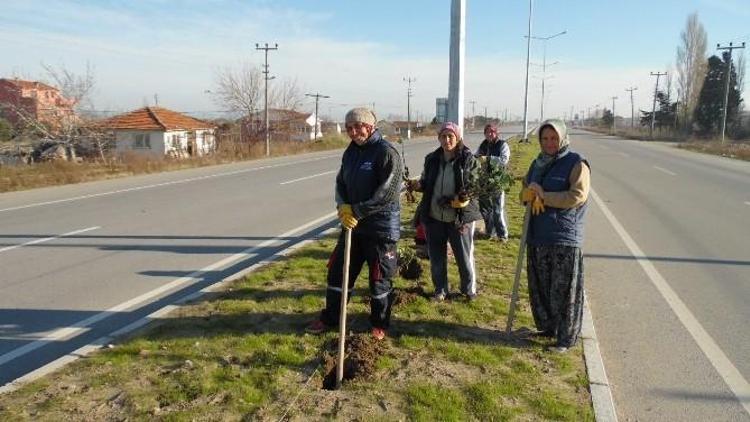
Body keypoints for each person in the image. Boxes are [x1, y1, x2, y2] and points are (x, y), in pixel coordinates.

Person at [306, 107, 403, 340]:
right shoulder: (351, 152)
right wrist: (342, 206)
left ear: (370, 127)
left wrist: (358, 210)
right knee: (339, 272)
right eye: (349, 127)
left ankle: (380, 323)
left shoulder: (387, 152)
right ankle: (331, 318)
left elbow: (387, 192)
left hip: (380, 228)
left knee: (379, 278)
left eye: (358, 126)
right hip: (353, 226)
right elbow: (341, 182)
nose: (353, 131)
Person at [520, 119, 590, 353]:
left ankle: (565, 338)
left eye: (553, 138)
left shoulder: (576, 163)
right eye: (545, 139)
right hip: (538, 235)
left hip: (564, 237)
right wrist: (528, 194)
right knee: (542, 286)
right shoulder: (536, 164)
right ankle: (548, 328)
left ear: (562, 138)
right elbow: (524, 191)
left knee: (563, 290)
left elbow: (576, 196)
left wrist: (544, 196)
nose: (549, 143)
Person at [407, 122, 482, 302]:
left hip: (458, 218)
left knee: (464, 257)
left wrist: (461, 200)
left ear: (457, 138)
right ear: (439, 138)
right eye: (443, 136)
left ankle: (468, 290)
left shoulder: (467, 159)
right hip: (434, 216)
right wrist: (417, 185)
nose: (447, 140)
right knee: (437, 257)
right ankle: (440, 290)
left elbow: (474, 186)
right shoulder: (432, 159)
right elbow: (426, 182)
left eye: (451, 136)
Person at [475, 123, 510, 241]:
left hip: (497, 181)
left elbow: (504, 160)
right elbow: (476, 157)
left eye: (492, 132)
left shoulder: (502, 145)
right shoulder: (483, 145)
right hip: (484, 181)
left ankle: (502, 235)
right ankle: (490, 232)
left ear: (496, 133)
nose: (490, 134)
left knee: (497, 209)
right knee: (485, 209)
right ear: (484, 133)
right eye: (487, 132)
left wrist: (489, 159)